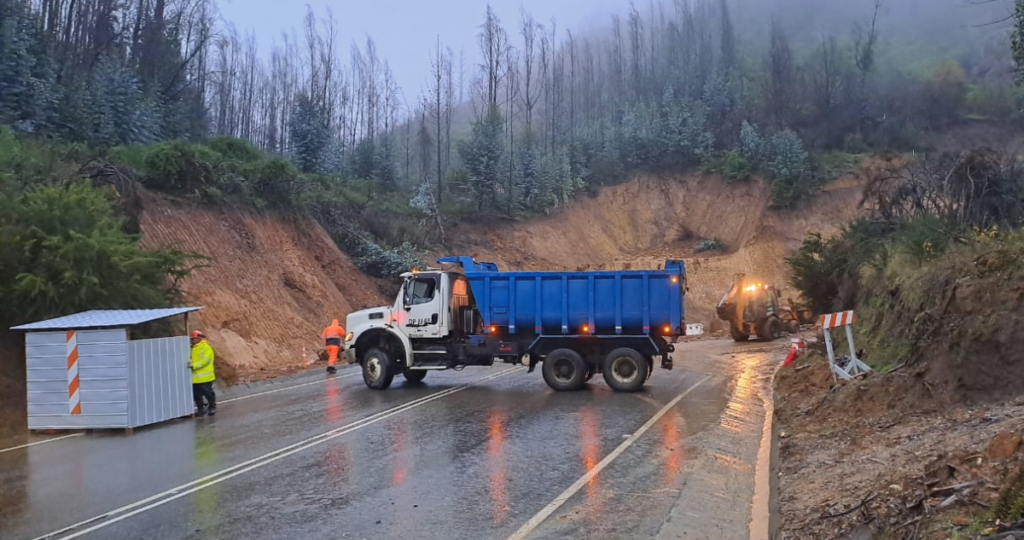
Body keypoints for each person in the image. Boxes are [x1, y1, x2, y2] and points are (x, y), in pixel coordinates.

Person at [190, 330, 217, 416]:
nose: (192, 340)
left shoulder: (206, 348)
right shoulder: (191, 348)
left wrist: (193, 365)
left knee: (208, 393)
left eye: (193, 339)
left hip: (205, 378)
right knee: (196, 395)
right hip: (194, 378)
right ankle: (200, 409)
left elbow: (205, 361)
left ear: (199, 338)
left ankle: (212, 407)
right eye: (192, 339)